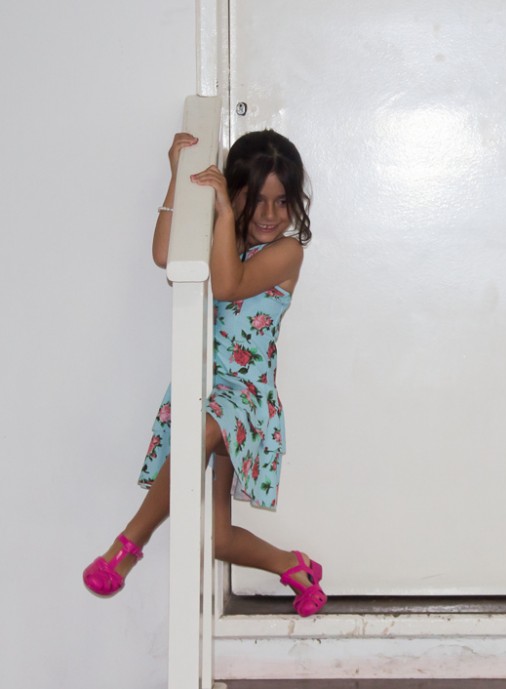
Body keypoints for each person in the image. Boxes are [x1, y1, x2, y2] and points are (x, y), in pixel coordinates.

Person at [83, 130, 327, 616]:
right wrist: (178, 178)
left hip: (246, 399)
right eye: (255, 199)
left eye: (282, 201)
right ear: (234, 192)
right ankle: (293, 565)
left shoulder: (287, 253)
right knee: (215, 539)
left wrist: (225, 216)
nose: (270, 214)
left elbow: (229, 286)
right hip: (205, 392)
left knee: (204, 429)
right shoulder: (223, 240)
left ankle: (128, 545)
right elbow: (163, 256)